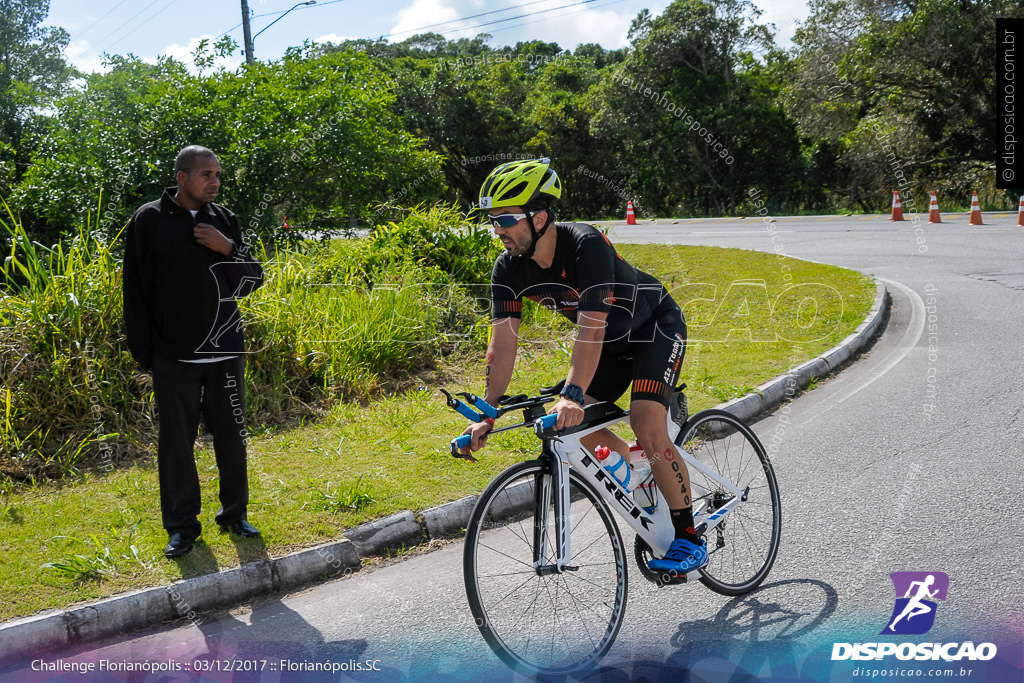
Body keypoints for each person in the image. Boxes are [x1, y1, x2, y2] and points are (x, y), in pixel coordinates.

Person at [458, 157, 707, 575]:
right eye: (492, 221)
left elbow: (589, 331)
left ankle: (688, 536)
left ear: (538, 217)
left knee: (646, 422)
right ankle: (638, 469)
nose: (496, 230)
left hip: (654, 329)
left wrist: (572, 394)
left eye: (504, 219)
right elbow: (502, 344)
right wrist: (486, 411)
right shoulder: (508, 268)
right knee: (563, 423)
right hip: (609, 348)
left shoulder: (585, 244)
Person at [123, 145, 264, 559]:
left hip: (225, 354)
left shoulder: (224, 221)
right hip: (174, 357)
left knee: (232, 438)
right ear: (182, 177)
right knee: (176, 444)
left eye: (217, 174)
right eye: (206, 174)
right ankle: (182, 528)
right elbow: (135, 289)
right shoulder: (149, 219)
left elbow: (252, 280)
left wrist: (228, 249)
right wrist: (147, 354)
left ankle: (234, 514)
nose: (215, 182)